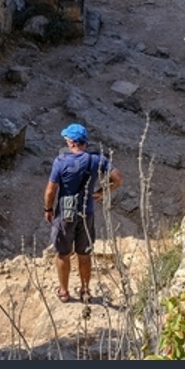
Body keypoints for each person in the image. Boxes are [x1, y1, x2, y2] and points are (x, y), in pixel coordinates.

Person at [44, 123, 121, 303]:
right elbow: (117, 178)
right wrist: (103, 192)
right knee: (84, 254)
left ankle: (64, 291)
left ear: (71, 143)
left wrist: (48, 209)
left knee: (63, 254)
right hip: (87, 213)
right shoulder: (97, 160)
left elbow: (50, 191)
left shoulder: (60, 161)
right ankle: (85, 290)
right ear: (84, 142)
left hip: (65, 213)